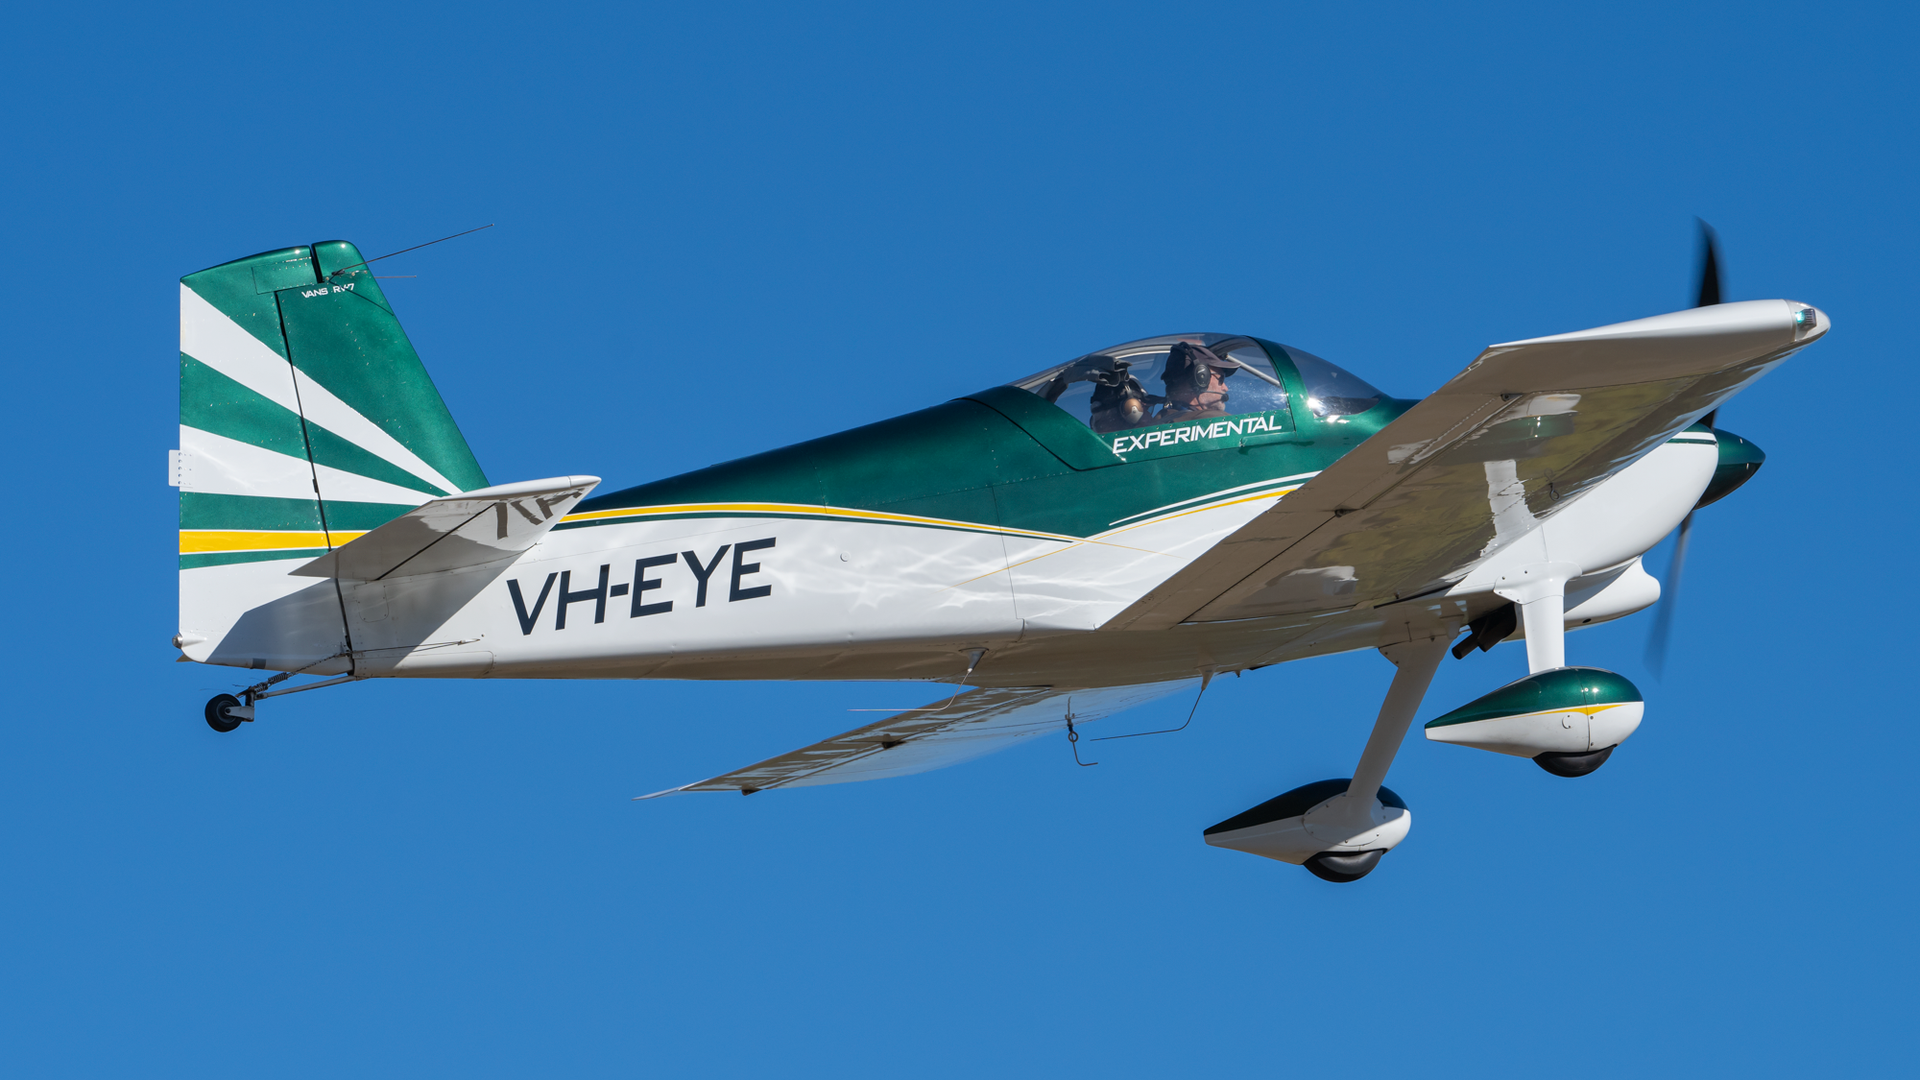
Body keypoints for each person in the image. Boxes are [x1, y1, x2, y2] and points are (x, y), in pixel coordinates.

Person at [1155, 340, 1235, 425]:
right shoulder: (1213, 420)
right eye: (1220, 379)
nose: (1225, 388)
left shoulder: (1158, 421)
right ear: (1200, 379)